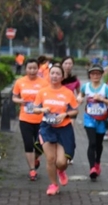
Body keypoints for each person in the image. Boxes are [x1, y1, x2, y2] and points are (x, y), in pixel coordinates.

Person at [32, 64, 79, 196]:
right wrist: (42, 109)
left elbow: (75, 110)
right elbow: (35, 109)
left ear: (62, 77)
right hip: (47, 128)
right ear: (49, 75)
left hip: (64, 129)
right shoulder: (42, 92)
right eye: (52, 73)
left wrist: (65, 114)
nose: (54, 76)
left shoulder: (68, 93)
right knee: (50, 159)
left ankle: (61, 170)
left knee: (61, 162)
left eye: (58, 74)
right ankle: (53, 184)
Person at [11, 58, 48, 181]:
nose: (32, 70)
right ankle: (32, 170)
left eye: (34, 68)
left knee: (41, 145)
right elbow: (14, 97)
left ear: (38, 69)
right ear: (25, 68)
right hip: (25, 119)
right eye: (29, 68)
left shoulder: (44, 83)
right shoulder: (20, 82)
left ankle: (36, 158)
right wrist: (20, 101)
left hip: (41, 120)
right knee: (28, 144)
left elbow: (48, 97)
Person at [77, 64, 108, 181]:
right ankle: (92, 168)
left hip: (102, 119)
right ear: (90, 75)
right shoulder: (86, 87)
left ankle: (97, 162)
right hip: (89, 118)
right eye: (93, 73)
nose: (95, 76)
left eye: (98, 73)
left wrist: (102, 99)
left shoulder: (106, 88)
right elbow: (81, 94)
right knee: (92, 142)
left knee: (98, 144)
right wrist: (79, 98)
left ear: (101, 75)